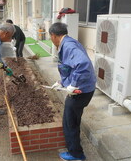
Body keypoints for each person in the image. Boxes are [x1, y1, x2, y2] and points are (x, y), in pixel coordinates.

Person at [49, 22, 96, 161]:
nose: (50, 39)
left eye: (50, 36)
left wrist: (73, 84)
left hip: (80, 91)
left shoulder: (68, 46)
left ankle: (76, 155)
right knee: (72, 120)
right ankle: (75, 151)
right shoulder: (68, 42)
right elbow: (71, 67)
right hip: (84, 88)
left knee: (70, 122)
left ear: (54, 35)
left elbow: (83, 65)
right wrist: (62, 82)